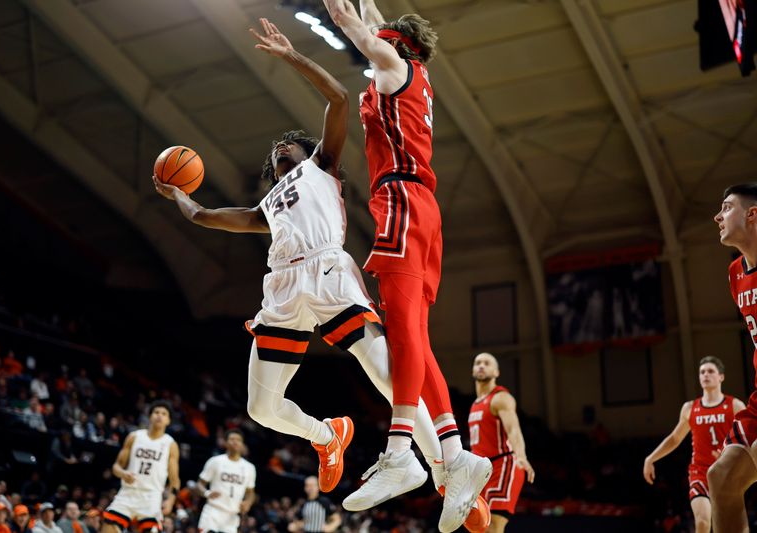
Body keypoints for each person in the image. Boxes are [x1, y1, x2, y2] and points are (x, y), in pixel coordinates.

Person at [153, 17, 443, 501]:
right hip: (283, 289)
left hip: (328, 272)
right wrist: (177, 194)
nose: (277, 150)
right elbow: (203, 215)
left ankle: (439, 464)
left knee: (387, 374)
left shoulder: (322, 166)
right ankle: (328, 437)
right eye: (274, 152)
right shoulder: (265, 206)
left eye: (285, 145)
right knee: (261, 408)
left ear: (305, 151)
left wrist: (289, 55)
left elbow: (339, 99)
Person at [321, 1, 491, 529]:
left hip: (403, 200)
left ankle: (400, 452)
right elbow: (374, 21)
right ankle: (455, 454)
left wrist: (340, 12)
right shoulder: (409, 72)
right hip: (418, 207)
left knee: (401, 332)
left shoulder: (398, 68)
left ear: (399, 45)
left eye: (385, 39)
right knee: (414, 335)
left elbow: (362, 31)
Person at [643, 356, 744, 533]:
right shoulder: (690, 408)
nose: (705, 375)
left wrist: (729, 452)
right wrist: (651, 458)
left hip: (727, 473)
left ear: (721, 377)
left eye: (710, 371)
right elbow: (675, 438)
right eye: (702, 372)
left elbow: (748, 435)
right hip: (700, 472)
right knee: (703, 521)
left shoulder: (734, 405)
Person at [709, 183, 757, 530]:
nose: (718, 216)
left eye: (726, 207)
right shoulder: (735, 274)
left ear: (752, 215)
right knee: (722, 478)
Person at [468, 353, 535, 533]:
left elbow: (513, 430)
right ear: (473, 370)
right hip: (482, 472)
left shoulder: (501, 398)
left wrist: (521, 456)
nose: (481, 366)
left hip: (503, 464)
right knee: (478, 528)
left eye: (487, 363)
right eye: (478, 363)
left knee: (494, 525)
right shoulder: (475, 404)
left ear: (496, 372)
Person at [100, 401, 179, 533]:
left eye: (164, 414)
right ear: (150, 416)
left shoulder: (170, 444)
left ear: (168, 420)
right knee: (108, 527)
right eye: (156, 412)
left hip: (151, 496)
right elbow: (116, 466)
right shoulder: (134, 436)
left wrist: (170, 501)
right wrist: (123, 474)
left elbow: (174, 479)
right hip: (128, 493)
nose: (159, 416)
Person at [195, 429, 256, 533]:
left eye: (238, 440)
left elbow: (250, 492)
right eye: (232, 439)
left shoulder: (250, 468)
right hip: (213, 510)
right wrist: (207, 493)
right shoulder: (215, 461)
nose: (235, 442)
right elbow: (199, 484)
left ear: (242, 444)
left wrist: (248, 503)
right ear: (225, 443)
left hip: (232, 515)